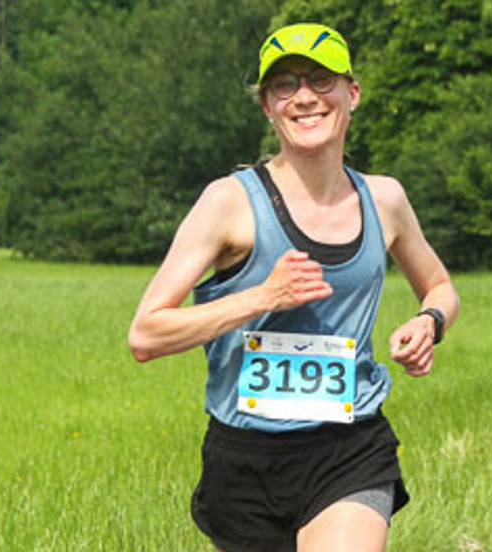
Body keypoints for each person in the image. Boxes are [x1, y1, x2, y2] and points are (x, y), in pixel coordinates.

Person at [128, 22, 460, 552]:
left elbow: (441, 285)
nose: (304, 97)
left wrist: (430, 321)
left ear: (352, 93)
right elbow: (146, 334)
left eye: (321, 80)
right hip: (245, 461)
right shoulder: (228, 203)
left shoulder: (385, 200)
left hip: (349, 448)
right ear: (267, 106)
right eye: (284, 85)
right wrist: (263, 296)